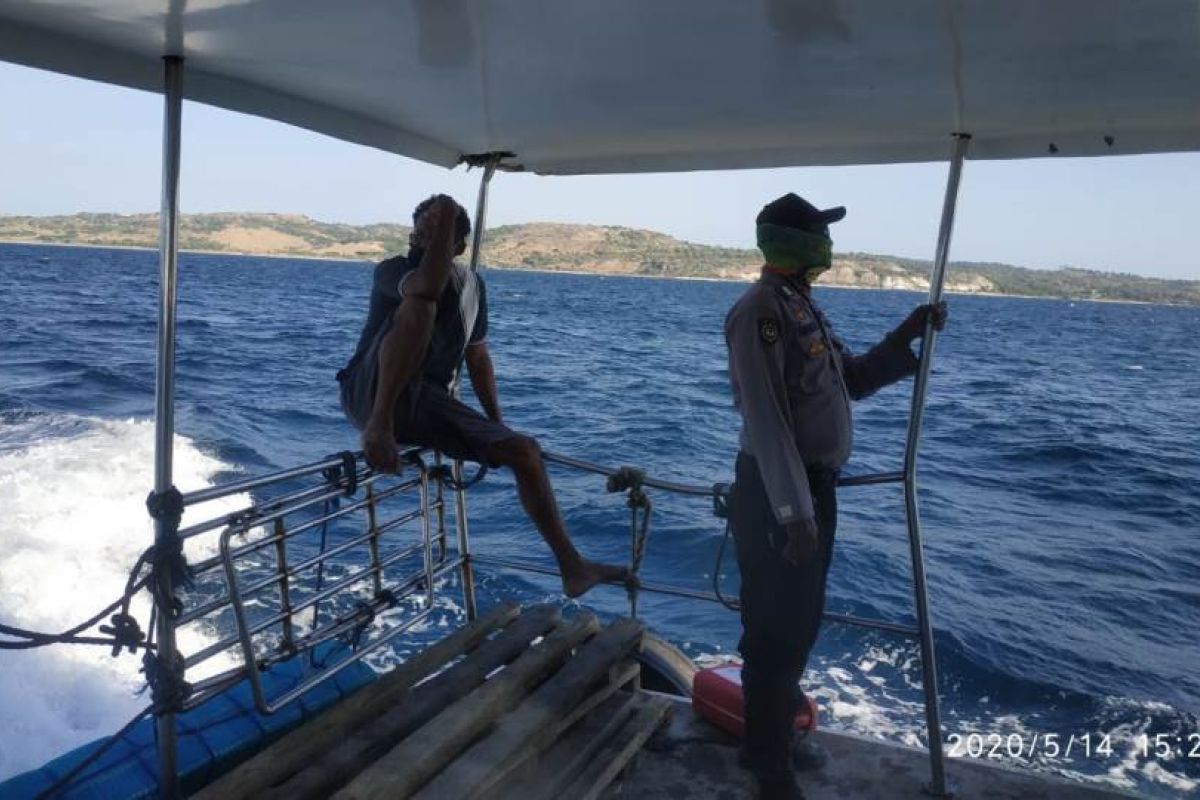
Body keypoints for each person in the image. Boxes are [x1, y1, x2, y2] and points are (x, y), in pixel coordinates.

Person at [725, 193, 947, 799]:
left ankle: (774, 739)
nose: (829, 244)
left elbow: (850, 380)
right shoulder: (761, 310)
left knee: (797, 624)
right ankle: (767, 764)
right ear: (793, 242)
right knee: (774, 629)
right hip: (778, 496)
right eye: (821, 233)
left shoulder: (802, 308)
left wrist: (907, 333)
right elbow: (767, 421)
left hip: (809, 492)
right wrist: (795, 514)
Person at [338, 194, 628, 598]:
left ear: (457, 248)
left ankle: (572, 568)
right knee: (419, 307)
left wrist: (495, 421)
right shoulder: (393, 271)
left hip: (425, 399)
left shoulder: (472, 286)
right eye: (418, 235)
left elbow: (477, 357)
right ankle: (381, 423)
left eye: (433, 238)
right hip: (369, 394)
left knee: (525, 452)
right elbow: (426, 287)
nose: (419, 245)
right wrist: (378, 425)